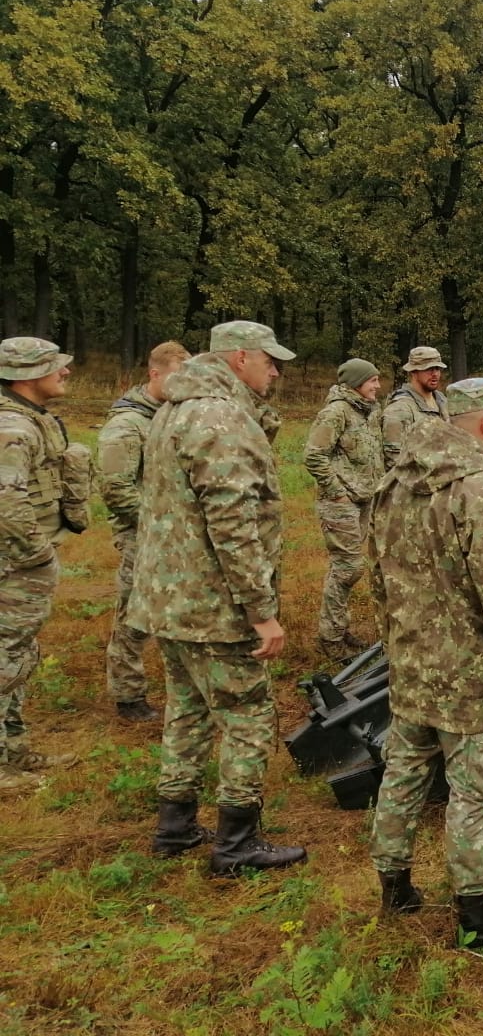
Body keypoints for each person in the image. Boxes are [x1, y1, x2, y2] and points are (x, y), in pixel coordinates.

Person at [368, 377, 483, 947]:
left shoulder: (395, 481)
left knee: (403, 773)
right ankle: (478, 917)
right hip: (471, 673)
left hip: (413, 661)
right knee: (475, 792)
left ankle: (394, 885)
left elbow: (378, 578)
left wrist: (395, 645)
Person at [129, 320, 307, 875]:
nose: (276, 370)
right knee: (247, 713)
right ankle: (237, 844)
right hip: (213, 605)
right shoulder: (218, 416)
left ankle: (175, 824)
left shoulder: (171, 410)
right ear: (238, 359)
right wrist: (262, 612)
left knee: (186, 710)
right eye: (269, 360)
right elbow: (231, 521)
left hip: (169, 600)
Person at [0, 338, 90, 789]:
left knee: (17, 653)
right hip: (13, 564)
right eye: (54, 365)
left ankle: (14, 749)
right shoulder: (13, 427)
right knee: (4, 655)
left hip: (19, 561)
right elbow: (5, 500)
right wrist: (36, 554)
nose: (65, 371)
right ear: (24, 376)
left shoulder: (29, 420)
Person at [97, 340, 191, 723]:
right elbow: (116, 487)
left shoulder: (169, 415)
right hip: (142, 533)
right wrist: (158, 525)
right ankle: (127, 693)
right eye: (175, 375)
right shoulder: (126, 424)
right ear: (155, 373)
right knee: (135, 615)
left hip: (174, 533)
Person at [304, 358, 384, 661]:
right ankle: (330, 639)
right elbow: (314, 456)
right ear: (356, 383)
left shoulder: (368, 412)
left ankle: (337, 629)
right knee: (348, 568)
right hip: (340, 503)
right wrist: (337, 493)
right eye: (372, 380)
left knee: (345, 569)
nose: (378, 386)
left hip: (363, 499)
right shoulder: (335, 413)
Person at [382, 345, 449, 469]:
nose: (435, 374)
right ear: (413, 372)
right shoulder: (400, 409)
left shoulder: (442, 401)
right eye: (428, 369)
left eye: (437, 368)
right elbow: (394, 461)